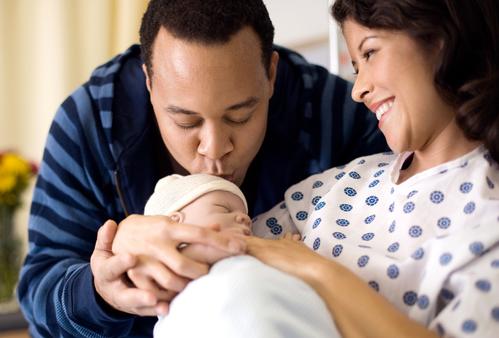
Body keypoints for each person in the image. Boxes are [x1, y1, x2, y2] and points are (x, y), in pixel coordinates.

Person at [17, 0, 387, 336]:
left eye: (240, 116)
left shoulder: (335, 114)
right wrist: (99, 293)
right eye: (186, 122)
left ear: (271, 74)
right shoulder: (91, 121)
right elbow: (38, 294)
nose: (215, 150)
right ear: (149, 81)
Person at [246, 0, 499, 337]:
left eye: (369, 54)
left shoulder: (488, 214)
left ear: (440, 40)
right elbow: (224, 245)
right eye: (354, 67)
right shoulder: (336, 187)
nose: (357, 91)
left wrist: (315, 271)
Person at [138, 173, 339, 338]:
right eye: (223, 208)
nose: (244, 218)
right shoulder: (171, 265)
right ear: (175, 222)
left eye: (247, 217)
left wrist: (287, 255)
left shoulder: (252, 256)